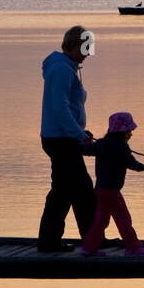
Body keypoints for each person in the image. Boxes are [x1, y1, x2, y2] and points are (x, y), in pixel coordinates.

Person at [37, 25, 97, 253]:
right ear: (72, 46)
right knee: (64, 191)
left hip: (65, 137)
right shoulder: (61, 70)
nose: (87, 54)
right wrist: (79, 135)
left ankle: (92, 238)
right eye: (84, 48)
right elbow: (59, 108)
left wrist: (81, 131)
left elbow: (69, 108)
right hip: (59, 139)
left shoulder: (69, 68)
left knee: (81, 189)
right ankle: (49, 242)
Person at [81, 113, 144, 257]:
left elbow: (84, 150)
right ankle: (133, 247)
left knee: (101, 220)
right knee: (123, 218)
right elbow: (133, 164)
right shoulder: (122, 147)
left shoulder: (101, 144)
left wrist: (85, 141)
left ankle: (89, 248)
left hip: (100, 190)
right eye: (129, 131)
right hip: (112, 191)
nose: (131, 134)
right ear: (123, 132)